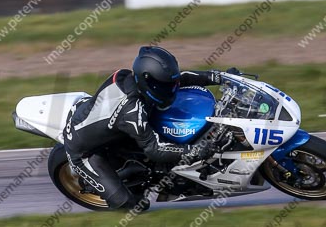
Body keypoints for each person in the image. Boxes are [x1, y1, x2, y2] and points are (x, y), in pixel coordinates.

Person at [63, 46, 234, 211]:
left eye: (171, 84)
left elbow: (181, 79)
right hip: (84, 151)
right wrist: (194, 151)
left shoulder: (139, 80)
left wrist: (218, 77)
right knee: (132, 204)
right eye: (166, 85)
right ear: (148, 84)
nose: (173, 88)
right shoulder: (131, 111)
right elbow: (155, 150)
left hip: (108, 125)